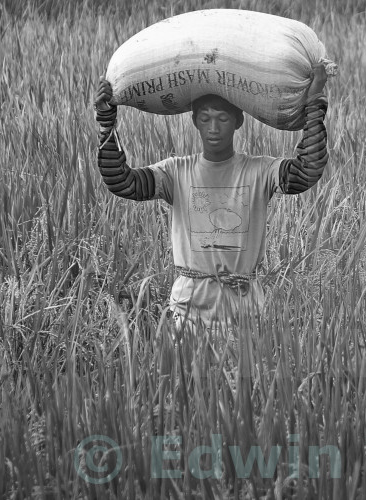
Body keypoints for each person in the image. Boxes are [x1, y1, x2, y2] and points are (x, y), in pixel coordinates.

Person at [93, 66, 329, 334]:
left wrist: (314, 105)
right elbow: (123, 182)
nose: (213, 128)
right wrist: (106, 121)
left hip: (245, 312)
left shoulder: (260, 171)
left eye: (222, 119)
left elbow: (305, 171)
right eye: (205, 119)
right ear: (195, 121)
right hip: (188, 312)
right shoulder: (176, 172)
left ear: (238, 121)